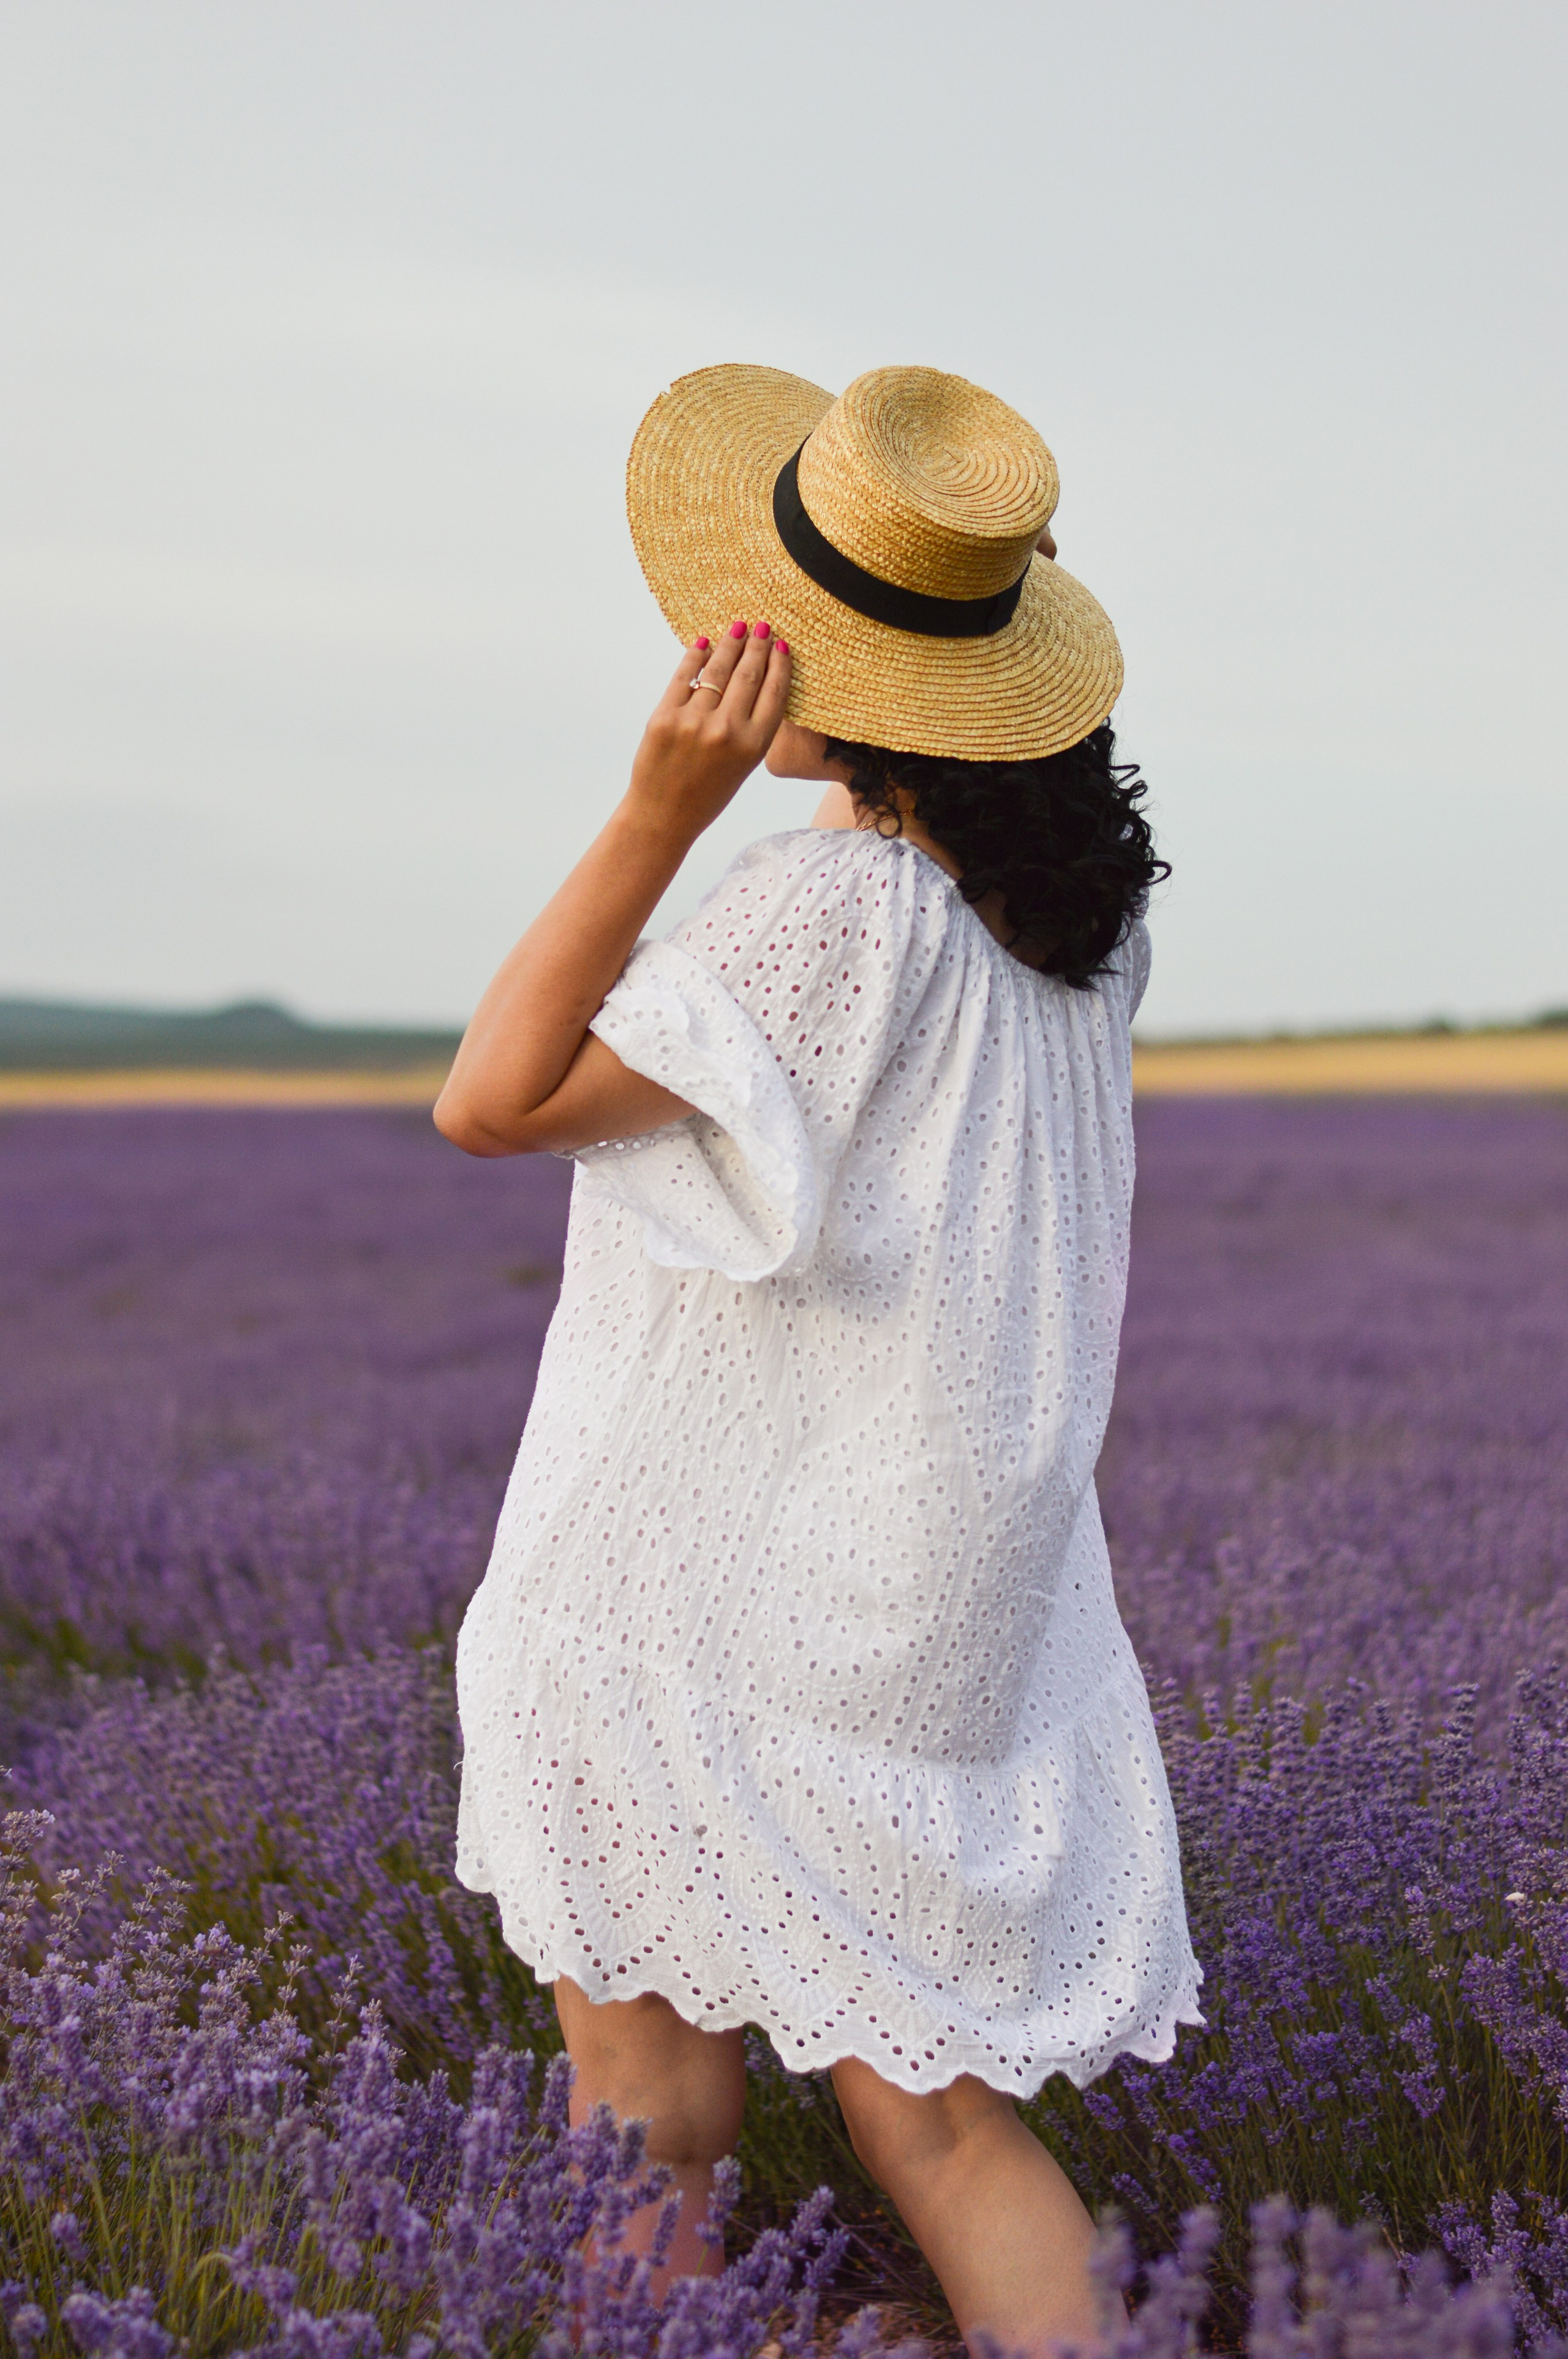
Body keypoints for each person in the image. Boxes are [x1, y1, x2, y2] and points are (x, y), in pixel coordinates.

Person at [435, 364, 1204, 2357]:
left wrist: (656, 810)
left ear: (836, 669)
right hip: (947, 1604)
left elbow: (492, 1098)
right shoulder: (1081, 934)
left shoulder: (832, 907)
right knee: (936, 2113)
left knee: (647, 2114)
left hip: (686, 1589)